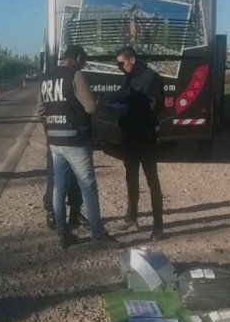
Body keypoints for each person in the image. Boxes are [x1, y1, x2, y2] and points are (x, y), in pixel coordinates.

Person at [38, 45, 118, 248]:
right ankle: (98, 234)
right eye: (83, 60)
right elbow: (90, 107)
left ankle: (63, 233)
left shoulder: (46, 77)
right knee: (88, 188)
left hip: (55, 141)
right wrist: (95, 102)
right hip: (75, 139)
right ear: (79, 58)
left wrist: (52, 126)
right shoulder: (76, 74)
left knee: (59, 188)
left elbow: (40, 110)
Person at [114, 46, 165, 239]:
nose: (119, 67)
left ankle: (158, 226)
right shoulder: (128, 76)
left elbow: (156, 107)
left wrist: (131, 109)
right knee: (131, 178)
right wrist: (106, 103)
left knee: (152, 180)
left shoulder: (152, 77)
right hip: (129, 135)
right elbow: (121, 95)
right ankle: (131, 216)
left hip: (146, 137)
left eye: (121, 63)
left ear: (132, 60)